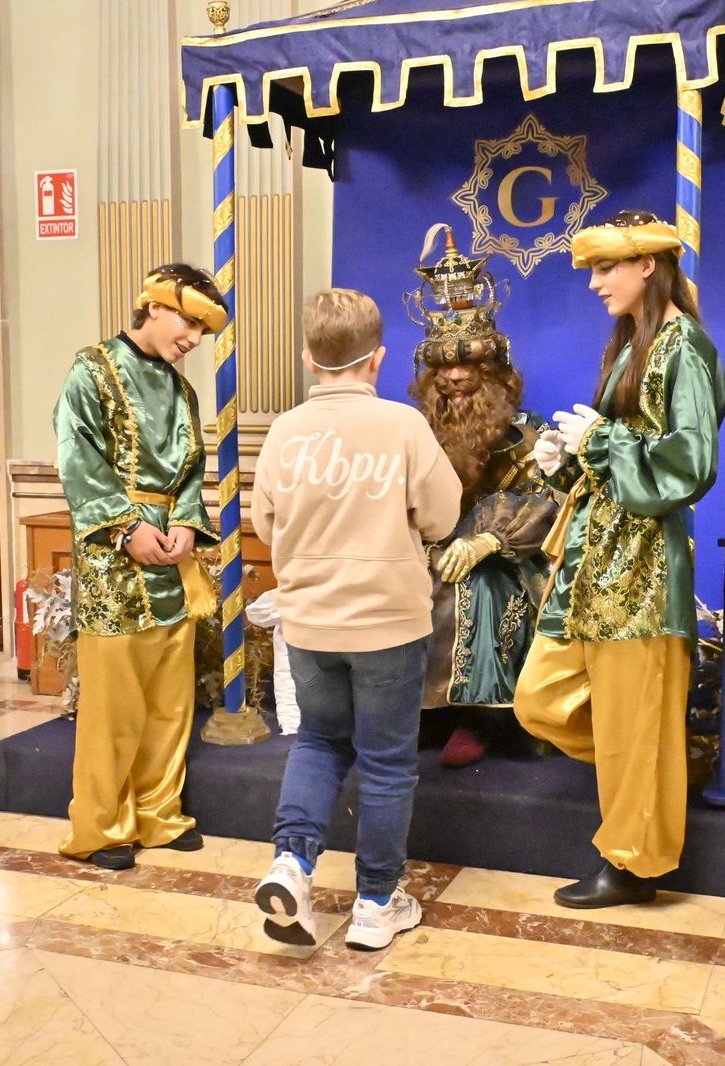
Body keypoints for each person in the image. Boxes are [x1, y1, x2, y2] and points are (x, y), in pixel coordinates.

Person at [514, 210, 725, 908]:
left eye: (607, 267)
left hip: (644, 567)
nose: (596, 283)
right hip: (596, 558)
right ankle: (661, 773)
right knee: (542, 701)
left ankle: (635, 862)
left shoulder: (682, 348)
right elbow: (627, 460)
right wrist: (567, 464)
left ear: (647, 266)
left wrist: (602, 443)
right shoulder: (637, 343)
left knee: (635, 720)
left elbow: (690, 465)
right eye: (592, 270)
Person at [251, 288, 462, 950]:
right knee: (388, 761)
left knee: (318, 741)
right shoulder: (403, 426)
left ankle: (292, 863)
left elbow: (263, 522)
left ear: (309, 358)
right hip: (388, 625)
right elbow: (443, 516)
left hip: (311, 620)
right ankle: (374, 903)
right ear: (378, 359)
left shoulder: (285, 431)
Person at [53, 265, 226, 870]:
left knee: (169, 701)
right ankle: (103, 827)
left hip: (171, 563)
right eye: (191, 321)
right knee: (113, 706)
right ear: (153, 306)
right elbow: (77, 457)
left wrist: (183, 523)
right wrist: (127, 528)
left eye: (205, 329)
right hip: (113, 561)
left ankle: (159, 815)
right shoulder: (92, 369)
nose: (196, 339)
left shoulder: (182, 392)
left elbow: (191, 472)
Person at [404, 227, 557, 767]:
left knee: (478, 587)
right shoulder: (412, 431)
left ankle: (483, 719)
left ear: (495, 371)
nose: (453, 377)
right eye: (442, 367)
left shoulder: (530, 436)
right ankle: (424, 715)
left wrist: (492, 538)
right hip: (431, 547)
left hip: (511, 560)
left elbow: (548, 501)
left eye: (466, 364)